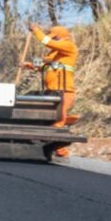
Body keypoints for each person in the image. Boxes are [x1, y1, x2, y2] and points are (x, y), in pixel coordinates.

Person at [22, 23, 79, 157]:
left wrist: (36, 30)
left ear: (60, 37)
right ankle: (50, 146)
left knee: (59, 120)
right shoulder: (54, 53)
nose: (53, 39)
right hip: (51, 92)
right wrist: (28, 65)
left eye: (55, 37)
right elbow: (44, 66)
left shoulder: (69, 46)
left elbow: (46, 41)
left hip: (64, 91)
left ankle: (60, 150)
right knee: (49, 119)